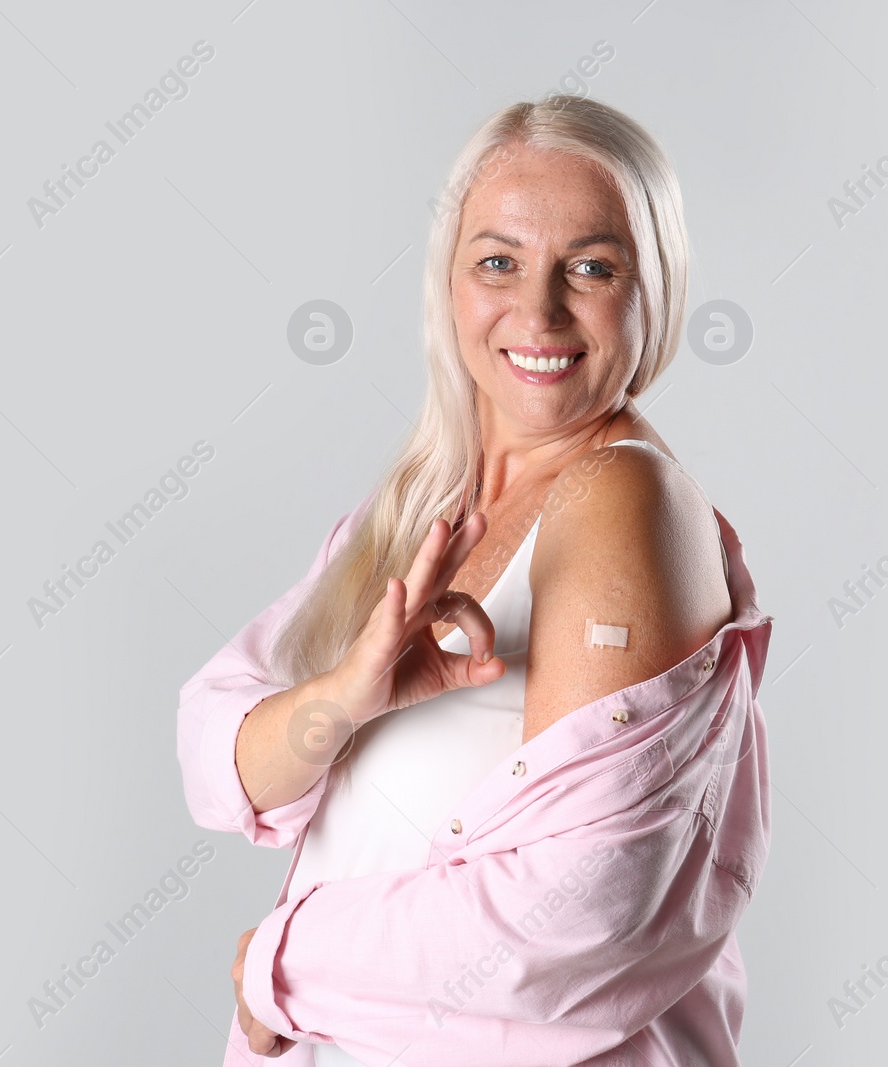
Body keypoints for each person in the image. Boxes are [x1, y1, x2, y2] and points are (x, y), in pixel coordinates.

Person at [177, 92, 774, 1066]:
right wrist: (343, 699)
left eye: (590, 265)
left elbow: (583, 905)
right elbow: (215, 750)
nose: (536, 310)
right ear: (448, 282)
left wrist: (277, 968)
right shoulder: (418, 508)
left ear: (651, 287)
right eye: (498, 260)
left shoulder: (621, 498)